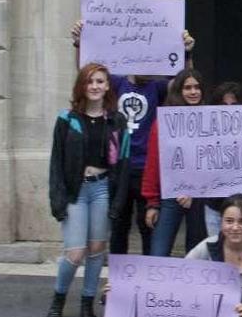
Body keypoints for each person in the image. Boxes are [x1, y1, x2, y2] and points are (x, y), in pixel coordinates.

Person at [70, 20, 195, 256]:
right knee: (119, 227)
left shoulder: (158, 88)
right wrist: (79, 44)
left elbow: (184, 84)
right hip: (119, 167)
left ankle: (146, 280)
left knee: (148, 225)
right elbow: (87, 76)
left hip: (147, 168)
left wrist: (187, 53)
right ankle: (117, 284)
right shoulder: (116, 83)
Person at [47, 63, 131, 317]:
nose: (95, 86)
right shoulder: (66, 119)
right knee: (74, 253)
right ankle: (58, 299)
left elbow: (124, 162)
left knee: (96, 250)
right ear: (82, 86)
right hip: (76, 191)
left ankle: (87, 304)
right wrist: (57, 200)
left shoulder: (116, 121)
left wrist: (118, 201)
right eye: (90, 81)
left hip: (103, 188)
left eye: (100, 81)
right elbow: (56, 163)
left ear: (107, 86)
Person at [142, 69, 209, 256]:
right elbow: (153, 163)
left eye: (197, 87)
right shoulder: (163, 121)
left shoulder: (211, 120)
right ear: (178, 91)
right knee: (158, 252)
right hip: (170, 195)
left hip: (200, 196)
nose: (193, 92)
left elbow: (212, 161)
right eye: (187, 87)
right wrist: (152, 203)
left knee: (197, 255)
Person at [203, 82, 242, 236]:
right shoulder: (204, 132)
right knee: (216, 256)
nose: (229, 109)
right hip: (214, 207)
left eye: (234, 104)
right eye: (224, 105)